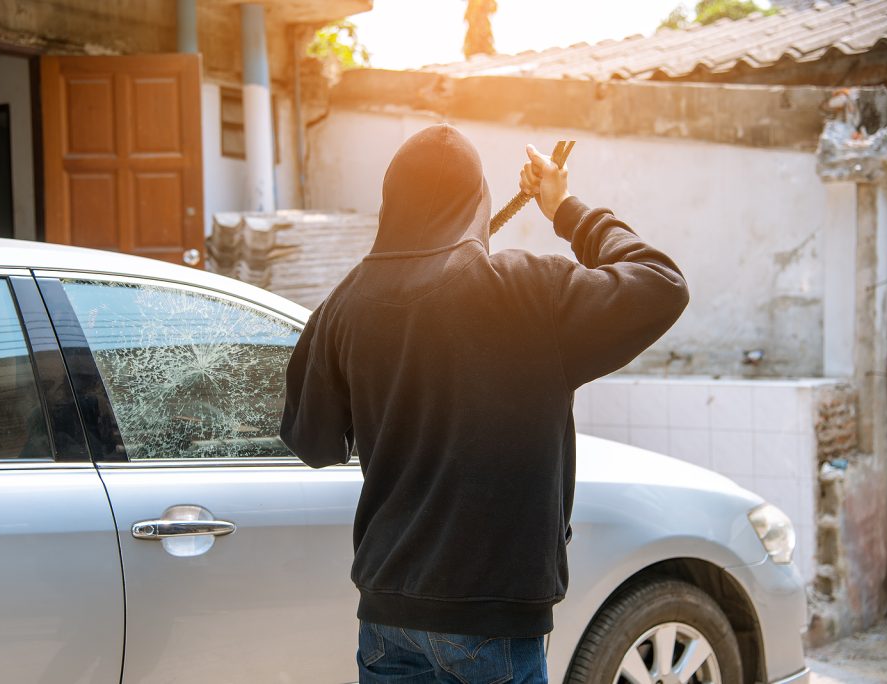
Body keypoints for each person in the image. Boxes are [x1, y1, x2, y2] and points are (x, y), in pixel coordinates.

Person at [280, 123, 688, 683]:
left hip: (387, 615)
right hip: (491, 618)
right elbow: (660, 282)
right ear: (478, 206)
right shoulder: (528, 293)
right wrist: (564, 207)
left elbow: (314, 443)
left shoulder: (346, 305)